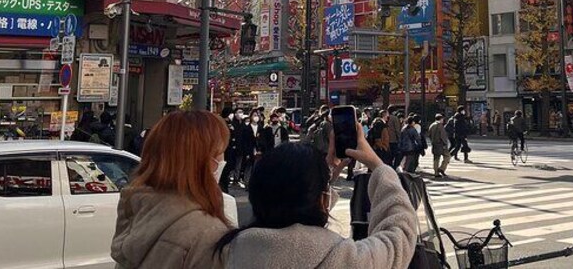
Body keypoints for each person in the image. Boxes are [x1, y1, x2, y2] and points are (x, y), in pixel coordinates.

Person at [216, 126, 417, 268]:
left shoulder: (230, 252)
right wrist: (378, 166)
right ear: (322, 200)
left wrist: (322, 176)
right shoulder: (344, 258)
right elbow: (399, 233)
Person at [111, 111, 232, 268]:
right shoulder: (207, 234)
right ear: (206, 162)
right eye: (220, 153)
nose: (222, 161)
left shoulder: (139, 208)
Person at [428, 114, 451, 178]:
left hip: (434, 144)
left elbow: (429, 135)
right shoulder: (440, 126)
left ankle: (436, 173)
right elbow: (443, 136)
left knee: (436, 159)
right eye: (442, 119)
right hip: (441, 144)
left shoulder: (431, 125)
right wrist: (445, 144)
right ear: (441, 119)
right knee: (447, 156)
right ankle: (442, 168)